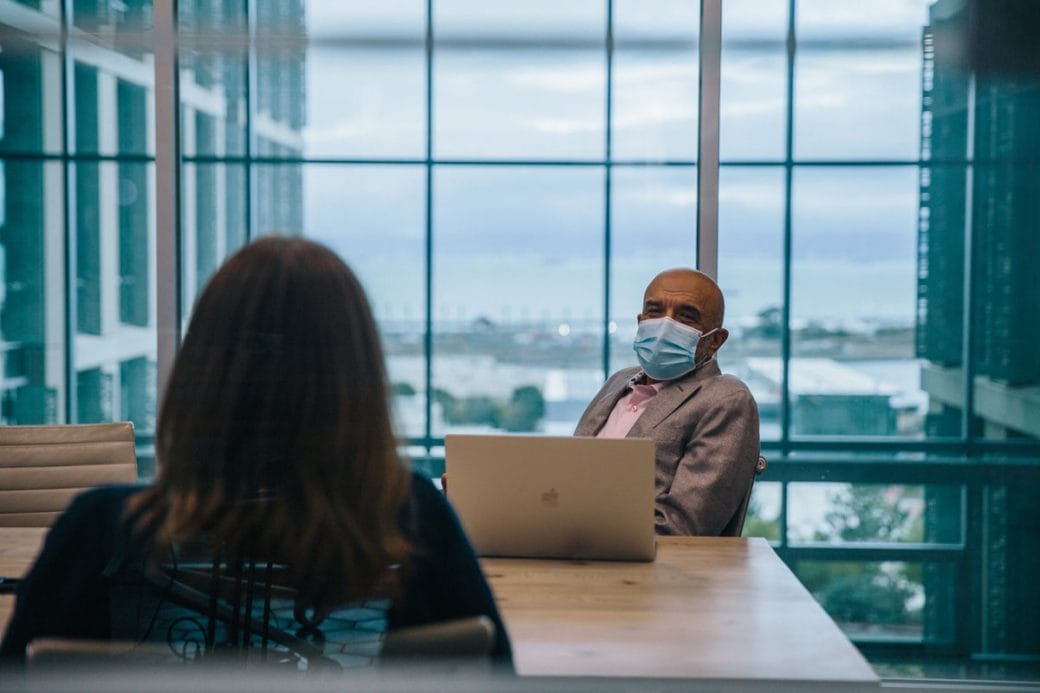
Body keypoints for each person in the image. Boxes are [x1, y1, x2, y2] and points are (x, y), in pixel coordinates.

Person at [1, 236, 511, 667]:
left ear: (200, 375)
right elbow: (496, 676)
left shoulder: (99, 530)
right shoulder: (415, 522)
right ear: (357, 384)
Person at [574, 268, 760, 536]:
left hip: (654, 571)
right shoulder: (618, 382)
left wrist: (576, 530)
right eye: (655, 311)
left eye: (686, 316)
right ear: (640, 321)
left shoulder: (726, 400)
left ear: (715, 340)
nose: (665, 325)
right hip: (570, 556)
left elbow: (684, 526)